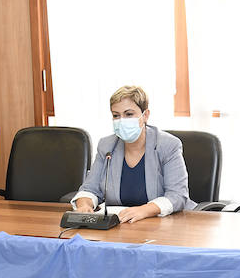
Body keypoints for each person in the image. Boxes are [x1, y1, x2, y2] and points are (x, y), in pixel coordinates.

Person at [72, 85, 193, 222]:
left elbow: (177, 195)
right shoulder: (106, 146)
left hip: (166, 224)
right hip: (121, 225)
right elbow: (90, 189)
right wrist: (84, 205)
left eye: (129, 114)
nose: (121, 120)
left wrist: (144, 210)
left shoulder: (167, 145)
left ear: (145, 115)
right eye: (116, 115)